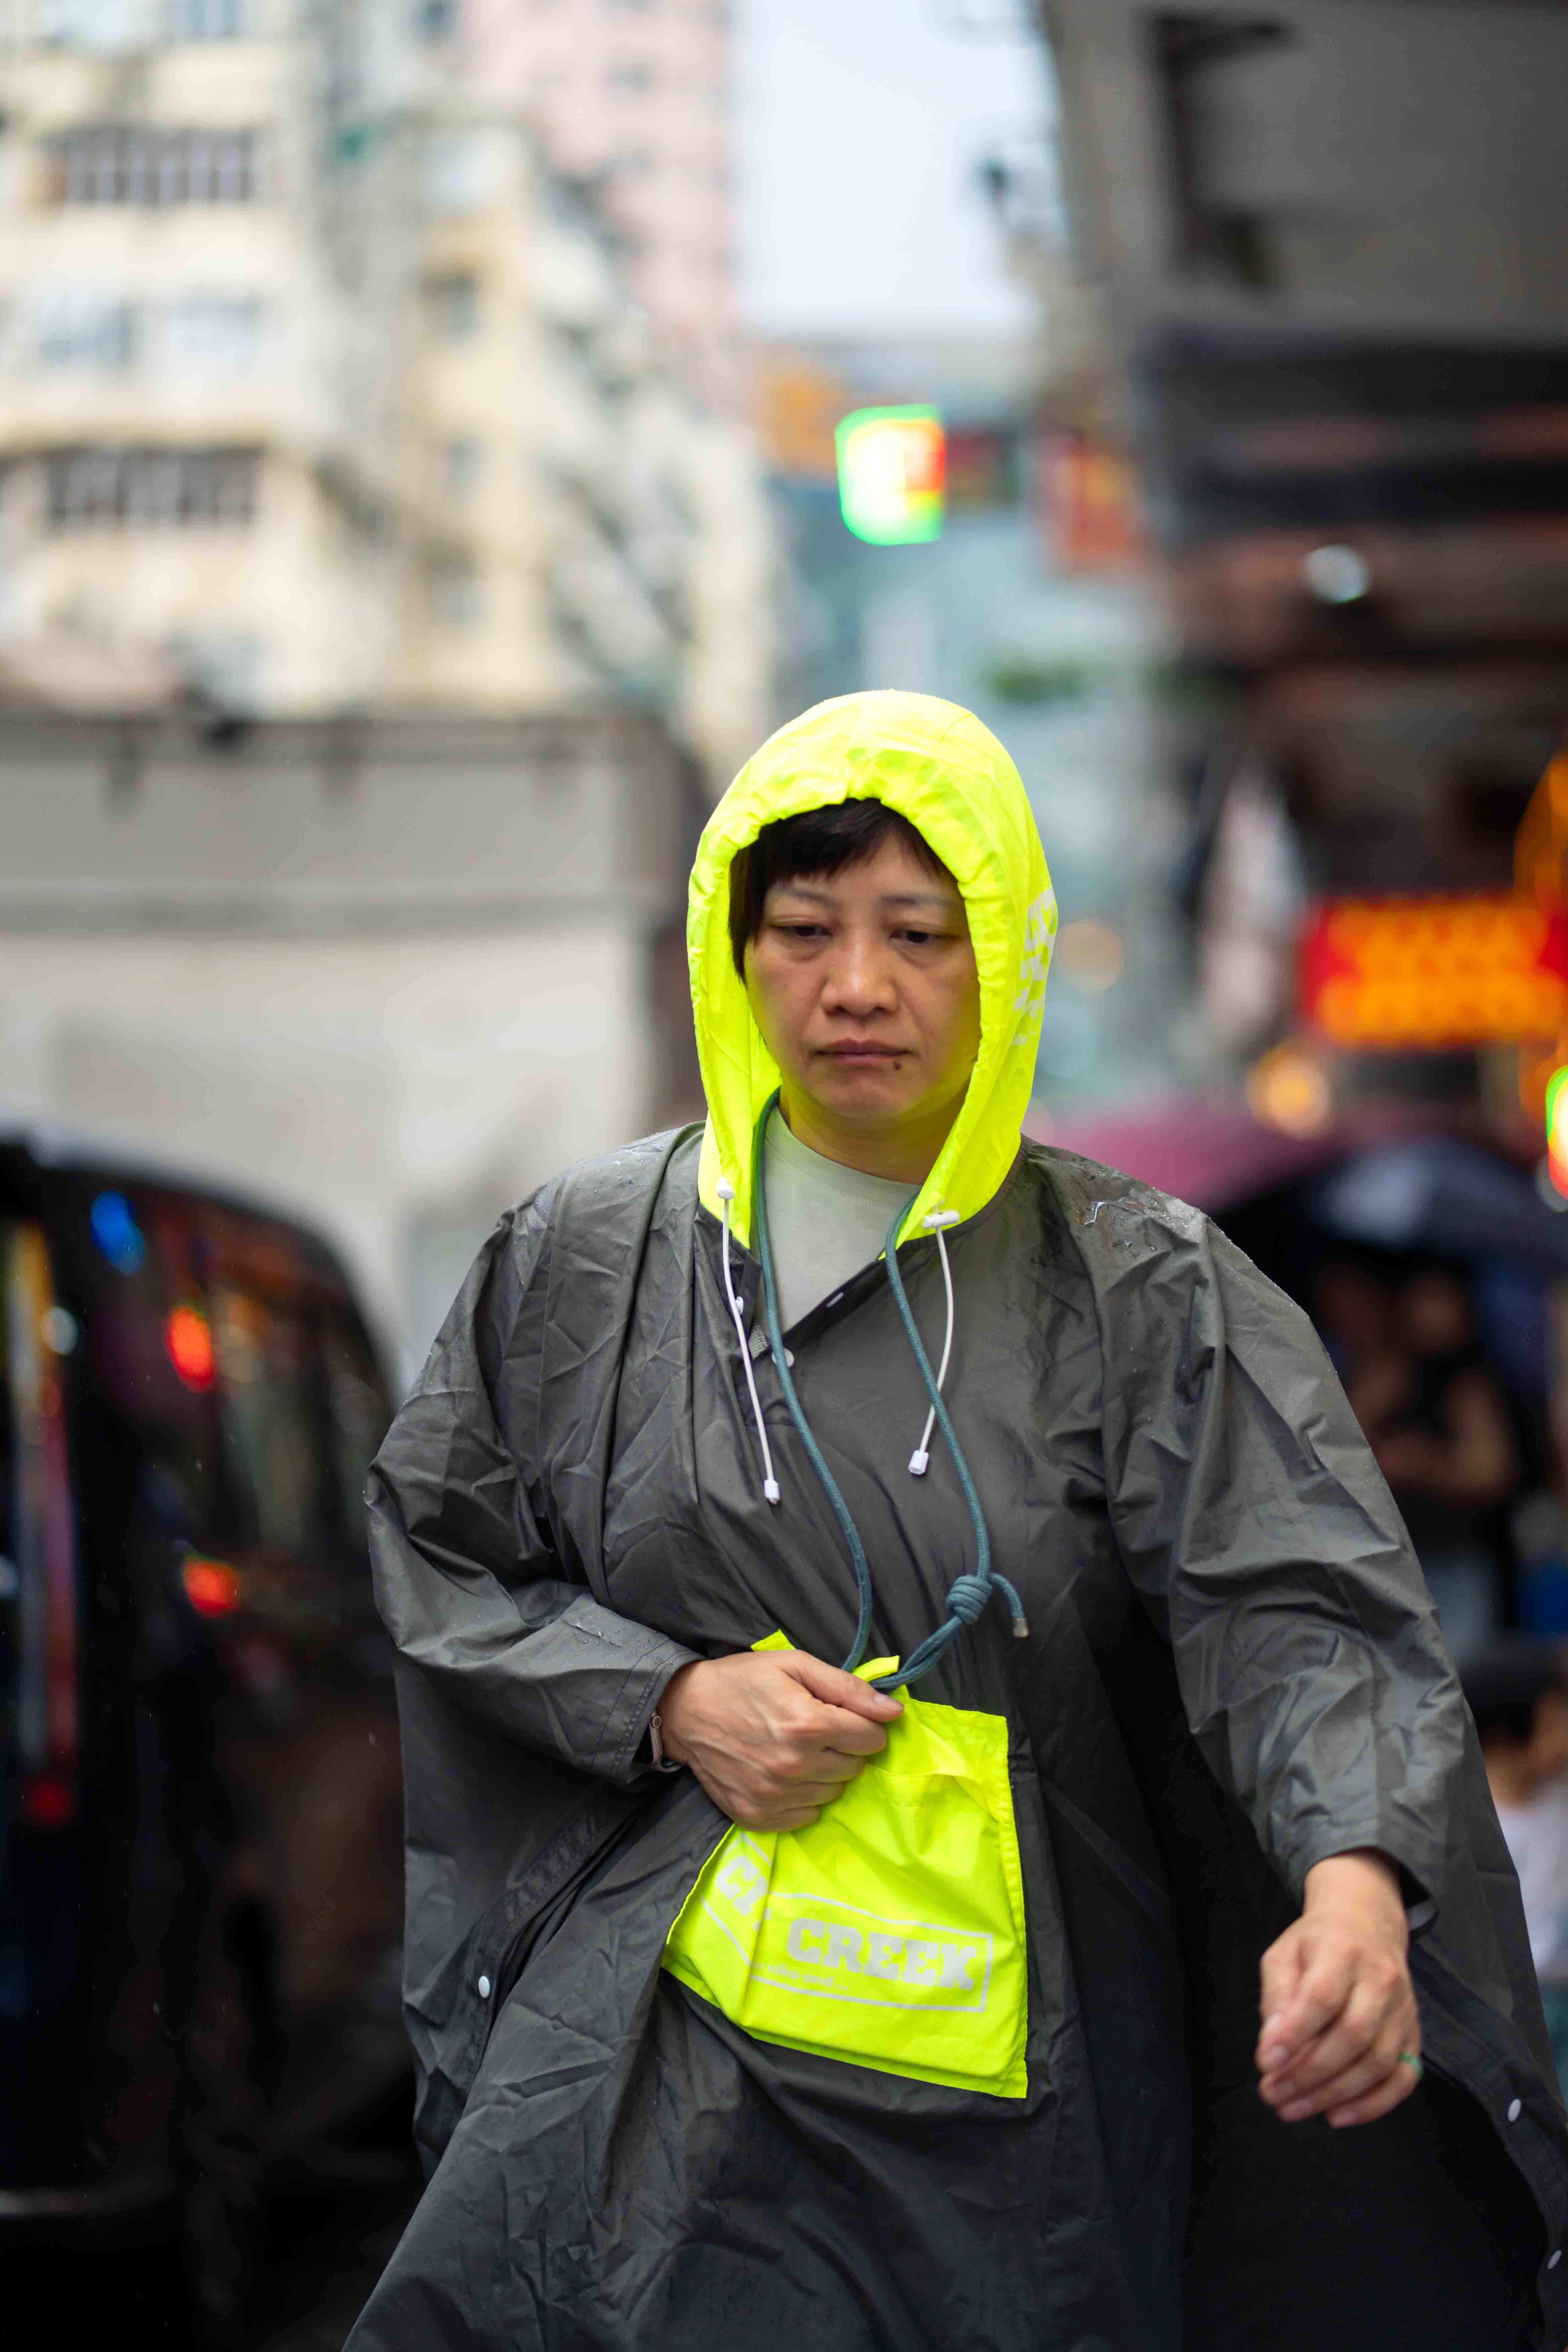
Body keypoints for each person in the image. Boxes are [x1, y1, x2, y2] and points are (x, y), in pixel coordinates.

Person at [348, 693, 1567, 2352]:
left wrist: (1352, 1882)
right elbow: (444, 1550)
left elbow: (1293, 1608)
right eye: (803, 929)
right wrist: (667, 1702)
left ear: (1005, 954)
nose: (857, 984)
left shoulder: (1139, 1285)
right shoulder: (579, 1263)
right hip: (663, 2100)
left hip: (1029, 2122)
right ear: (729, 949)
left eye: (919, 931)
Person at [1353, 1267, 1519, 1660]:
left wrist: (1424, 1463)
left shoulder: (1469, 1381)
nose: (1431, 1314)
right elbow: (1333, 1447)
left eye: (1442, 1300)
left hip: (1457, 1560)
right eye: (1422, 1299)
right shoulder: (1387, 1372)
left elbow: (1491, 1473)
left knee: (1455, 1680)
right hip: (1387, 1560)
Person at [1464, 1640, 1568, 2101]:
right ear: (1507, 1736)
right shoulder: (1474, 1829)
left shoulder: (1556, 1799)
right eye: (1557, 1721)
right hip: (1517, 2011)